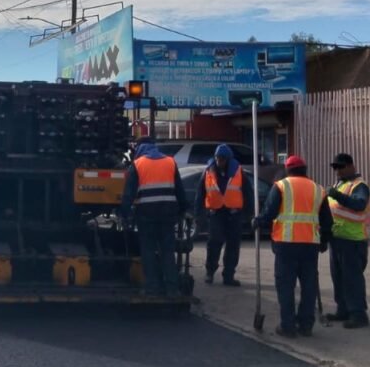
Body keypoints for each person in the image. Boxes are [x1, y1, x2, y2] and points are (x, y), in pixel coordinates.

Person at [258, 155, 333, 338]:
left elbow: (269, 213)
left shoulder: (281, 186)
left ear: (287, 169)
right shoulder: (318, 189)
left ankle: (288, 326)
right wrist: (324, 241)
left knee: (285, 286)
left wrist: (257, 221)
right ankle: (306, 325)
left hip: (286, 245)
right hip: (310, 245)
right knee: (309, 286)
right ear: (304, 170)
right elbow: (327, 221)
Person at [121, 137, 188, 297]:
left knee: (148, 250)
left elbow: (129, 193)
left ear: (140, 148)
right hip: (167, 213)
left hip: (146, 214)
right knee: (167, 251)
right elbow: (179, 189)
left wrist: (124, 213)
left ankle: (152, 288)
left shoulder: (138, 164)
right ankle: (172, 288)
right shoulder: (170, 162)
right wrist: (183, 210)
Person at [194, 144, 254, 287]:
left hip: (234, 214)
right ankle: (210, 272)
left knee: (233, 246)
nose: (219, 161)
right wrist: (199, 214)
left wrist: (248, 214)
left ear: (228, 159)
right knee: (214, 243)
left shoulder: (238, 171)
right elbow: (200, 194)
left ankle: (229, 275)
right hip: (216, 213)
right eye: (217, 158)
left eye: (221, 159)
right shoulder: (208, 171)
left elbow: (248, 193)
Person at [325, 153, 370, 329]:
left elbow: (359, 204)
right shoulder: (339, 184)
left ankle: (358, 314)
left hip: (353, 240)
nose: (337, 171)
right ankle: (343, 310)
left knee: (352, 279)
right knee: (338, 277)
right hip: (337, 238)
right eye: (335, 167)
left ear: (351, 166)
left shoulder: (359, 186)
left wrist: (337, 195)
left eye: (341, 167)